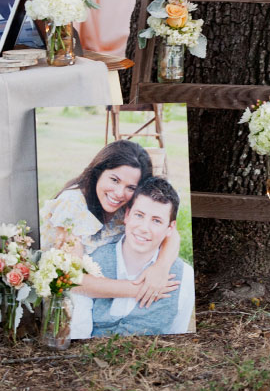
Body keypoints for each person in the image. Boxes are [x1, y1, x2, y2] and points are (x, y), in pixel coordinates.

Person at [40, 140, 180, 306]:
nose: (119, 193)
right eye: (114, 180)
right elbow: (72, 278)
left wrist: (160, 268)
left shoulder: (126, 205)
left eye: (131, 187)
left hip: (102, 292)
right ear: (98, 172)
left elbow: (171, 234)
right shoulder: (72, 206)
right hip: (65, 299)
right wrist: (141, 289)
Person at [70, 176, 195, 338]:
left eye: (156, 221)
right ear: (127, 215)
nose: (144, 228)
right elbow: (78, 334)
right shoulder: (93, 262)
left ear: (170, 228)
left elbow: (178, 339)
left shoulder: (183, 277)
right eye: (139, 215)